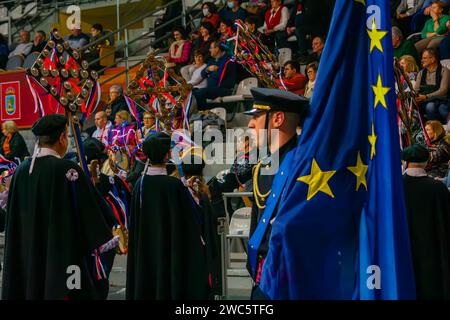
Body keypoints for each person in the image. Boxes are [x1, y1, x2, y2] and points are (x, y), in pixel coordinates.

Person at [1, 114, 116, 299]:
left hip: (27, 253)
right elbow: (93, 214)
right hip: (62, 254)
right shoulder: (67, 170)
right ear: (62, 137)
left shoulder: (21, 170)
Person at [126, 132, 210, 299]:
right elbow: (191, 220)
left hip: (146, 251)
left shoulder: (139, 185)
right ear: (167, 155)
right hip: (170, 251)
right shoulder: (173, 185)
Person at [244, 88, 309, 299]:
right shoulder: (263, 165)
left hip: (291, 276)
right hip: (265, 272)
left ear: (278, 118)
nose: (250, 124)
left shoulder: (305, 166)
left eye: (256, 116)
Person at [401, 144, 450, 299]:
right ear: (427, 162)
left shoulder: (396, 187)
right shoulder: (438, 188)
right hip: (432, 255)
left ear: (406, 162)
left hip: (402, 250)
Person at [193, 41, 236, 110]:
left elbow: (220, 76)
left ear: (217, 49)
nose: (209, 50)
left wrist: (210, 73)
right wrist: (208, 69)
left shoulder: (228, 60)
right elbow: (203, 74)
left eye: (211, 48)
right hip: (212, 89)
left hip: (224, 89)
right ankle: (203, 112)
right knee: (194, 92)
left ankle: (205, 111)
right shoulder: (212, 60)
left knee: (201, 92)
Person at [413, 48, 450, 122]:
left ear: (433, 59)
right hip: (426, 102)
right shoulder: (421, 73)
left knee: (442, 108)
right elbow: (416, 90)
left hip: (442, 100)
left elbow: (443, 90)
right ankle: (433, 128)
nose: (422, 60)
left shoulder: (444, 71)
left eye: (424, 58)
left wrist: (426, 96)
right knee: (430, 106)